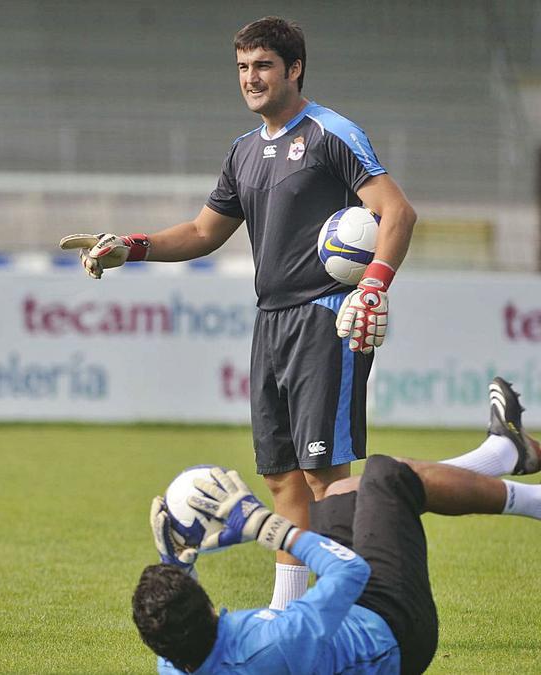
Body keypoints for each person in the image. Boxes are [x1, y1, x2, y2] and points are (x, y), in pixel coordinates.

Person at [60, 16, 420, 609]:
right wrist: (133, 246)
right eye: (243, 68)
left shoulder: (332, 133)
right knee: (282, 477)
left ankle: (371, 605)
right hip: (272, 320)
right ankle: (287, 611)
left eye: (263, 66)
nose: (250, 79)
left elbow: (397, 213)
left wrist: (373, 285)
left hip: (326, 317)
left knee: (327, 477)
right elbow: (204, 232)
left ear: (294, 68)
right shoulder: (244, 151)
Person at [135, 378, 541, 674]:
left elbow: (171, 635)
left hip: (353, 620)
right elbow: (350, 570)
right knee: (385, 476)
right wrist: (266, 527)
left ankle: (503, 452)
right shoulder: (273, 644)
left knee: (338, 494)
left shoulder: (178, 664)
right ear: (207, 608)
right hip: (398, 630)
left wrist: (175, 563)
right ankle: (521, 480)